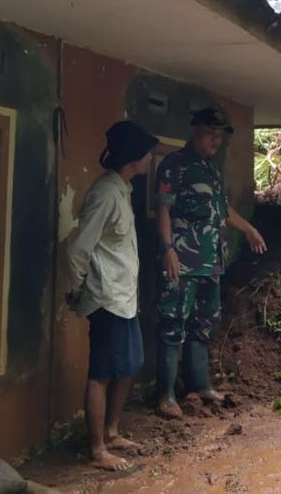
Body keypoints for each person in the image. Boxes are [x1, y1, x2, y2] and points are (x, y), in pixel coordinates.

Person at [154, 107, 267, 418]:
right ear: (195, 131)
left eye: (220, 136)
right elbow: (163, 208)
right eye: (210, 134)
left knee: (203, 325)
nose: (216, 141)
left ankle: (200, 385)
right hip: (182, 261)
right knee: (172, 324)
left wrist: (249, 230)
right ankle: (165, 396)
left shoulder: (211, 170)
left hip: (209, 262)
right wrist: (167, 249)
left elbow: (223, 210)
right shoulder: (174, 166)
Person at [66, 120, 159, 471]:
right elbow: (78, 247)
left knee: (129, 365)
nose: (151, 159)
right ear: (134, 158)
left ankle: (113, 431)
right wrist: (76, 288)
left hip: (124, 297)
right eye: (148, 154)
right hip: (106, 298)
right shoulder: (105, 193)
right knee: (102, 373)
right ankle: (98, 449)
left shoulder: (122, 189)